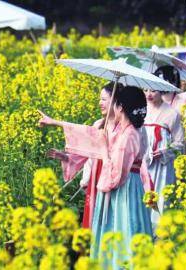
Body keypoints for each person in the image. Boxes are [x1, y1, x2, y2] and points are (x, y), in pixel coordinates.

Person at [39, 85, 153, 269]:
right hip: (113, 184)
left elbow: (117, 172)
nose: (102, 103)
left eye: (107, 100)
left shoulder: (131, 132)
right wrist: (55, 124)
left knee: (125, 227)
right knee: (111, 226)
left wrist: (102, 148)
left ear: (120, 106)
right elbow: (85, 137)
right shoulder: (110, 127)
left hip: (122, 186)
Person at [47, 83, 116, 229]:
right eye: (100, 99)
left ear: (115, 101)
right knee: (93, 218)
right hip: (95, 177)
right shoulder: (98, 124)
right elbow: (88, 154)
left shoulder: (123, 128)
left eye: (104, 99)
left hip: (112, 177)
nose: (100, 103)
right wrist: (65, 157)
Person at [143, 87, 184, 232]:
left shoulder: (172, 113)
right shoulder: (141, 110)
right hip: (142, 165)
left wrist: (164, 152)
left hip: (162, 167)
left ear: (161, 91)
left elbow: (180, 143)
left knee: (161, 199)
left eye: (153, 90)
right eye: (145, 90)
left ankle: (160, 235)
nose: (149, 94)